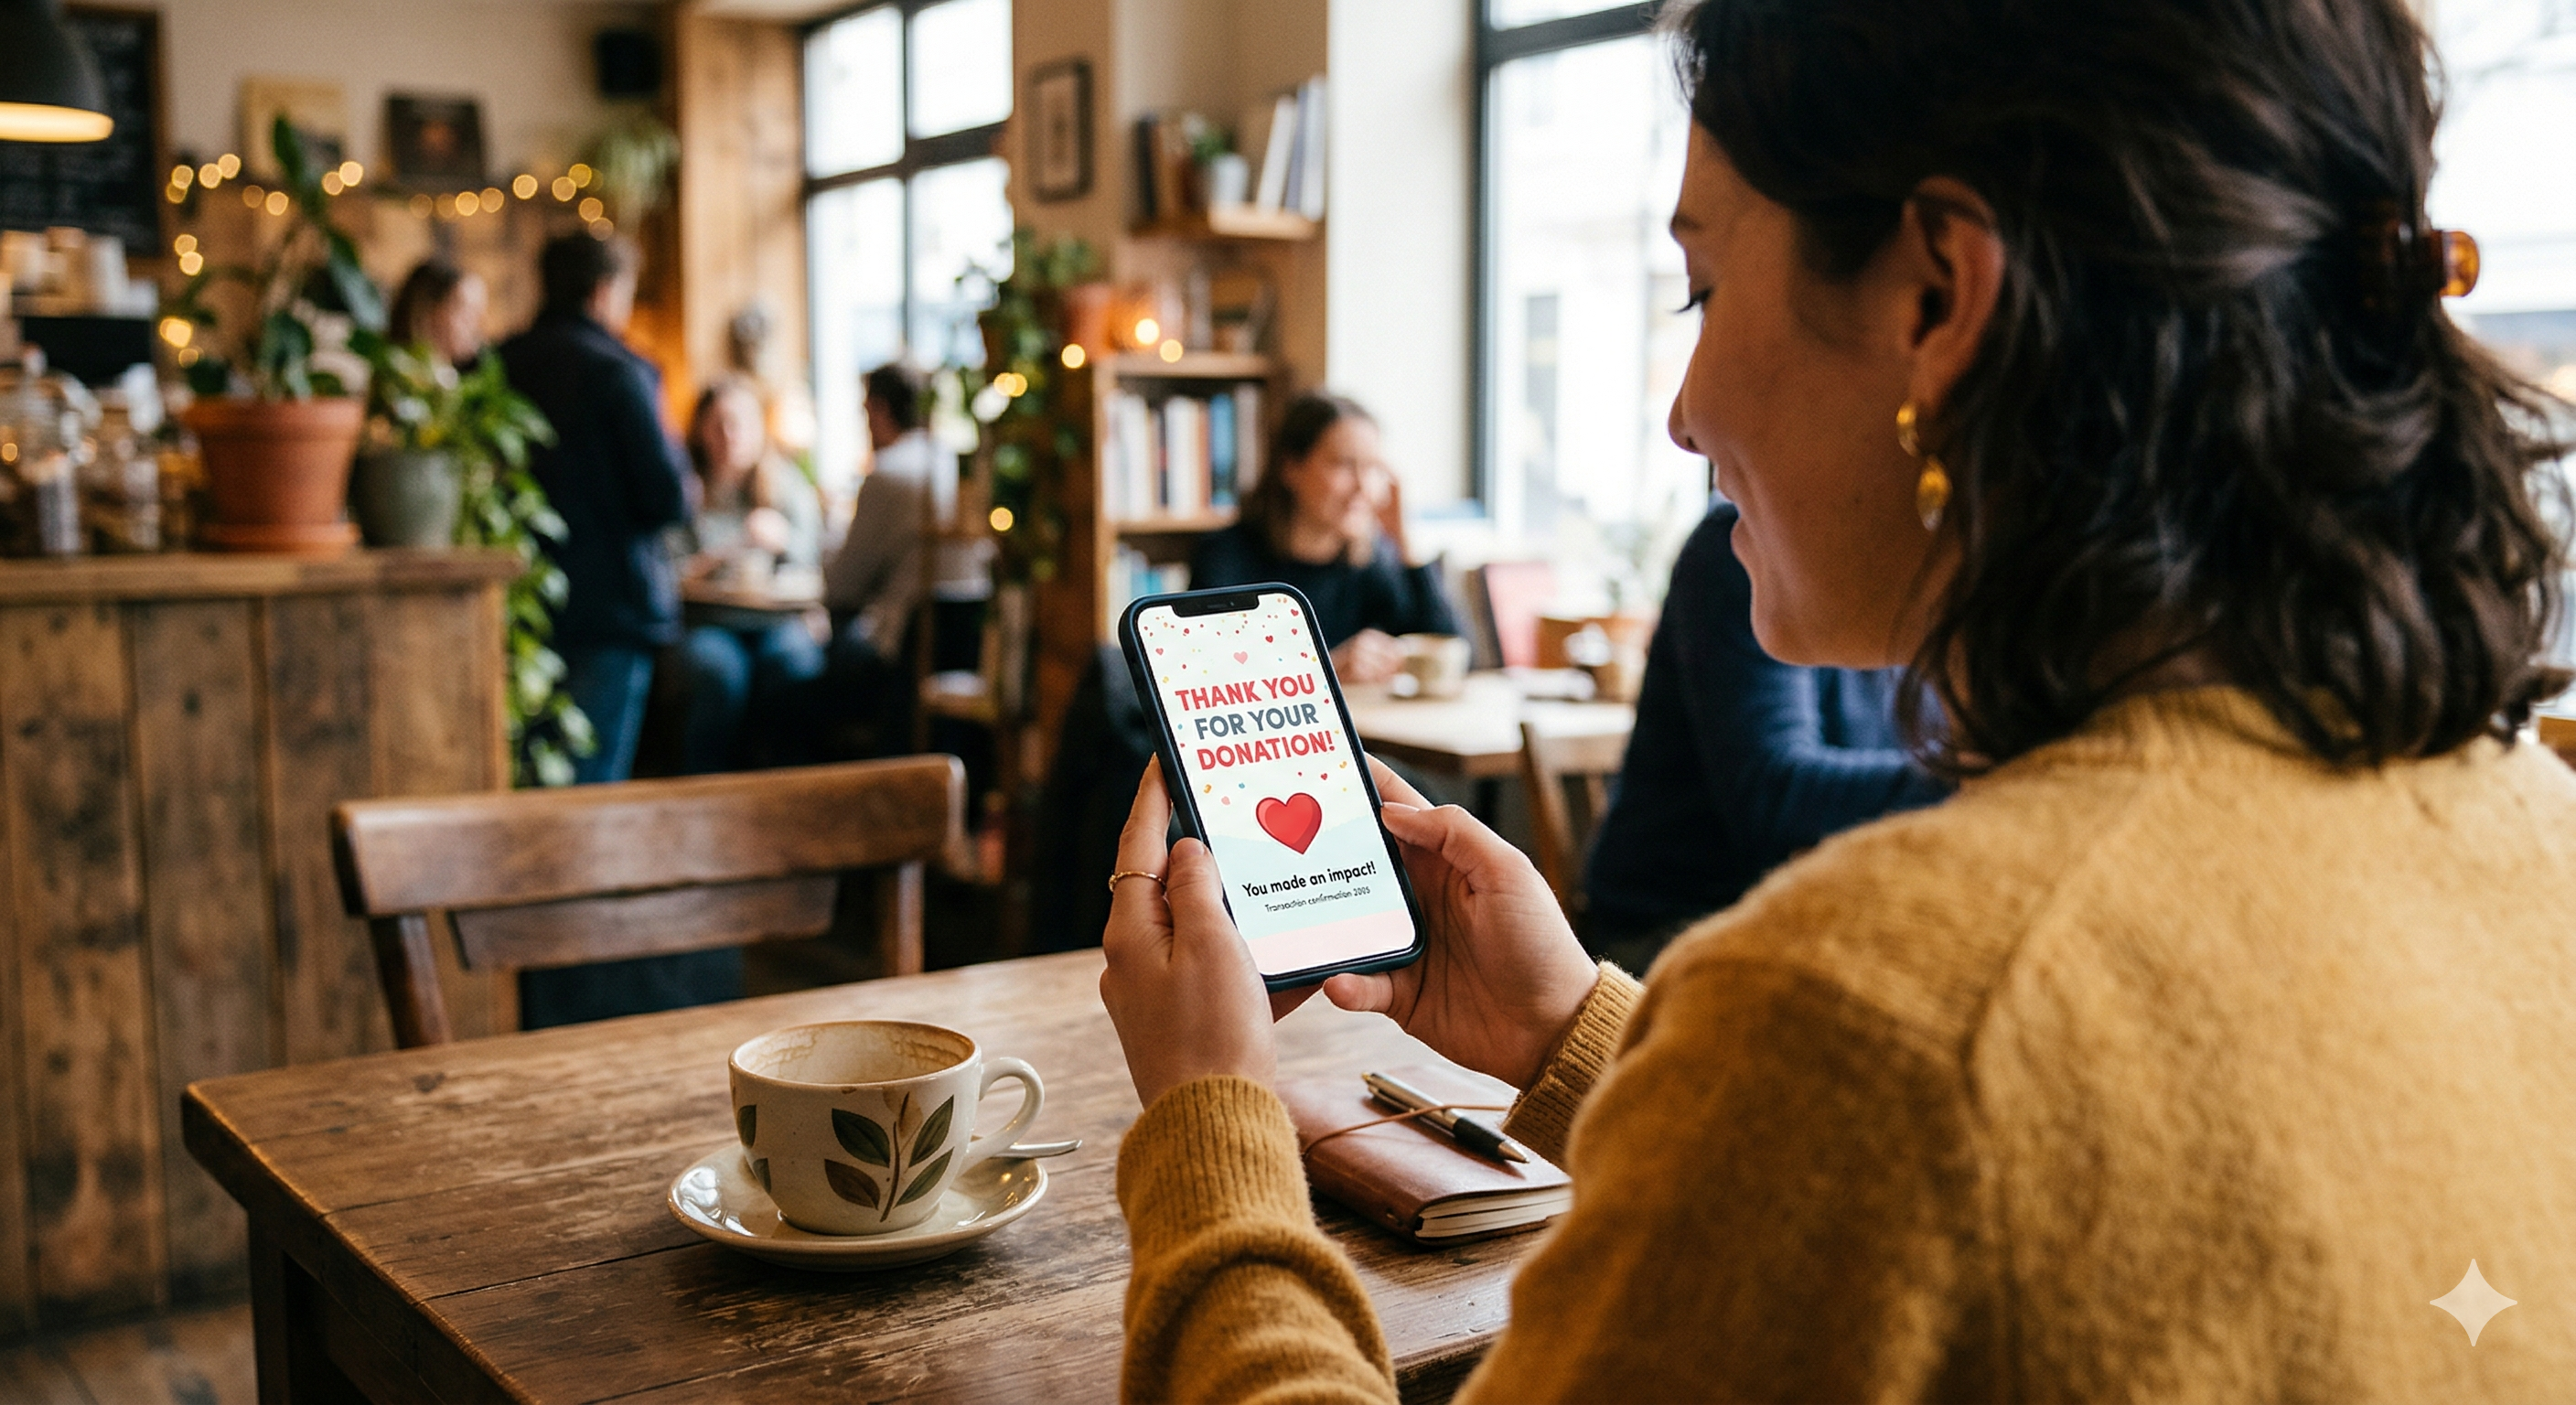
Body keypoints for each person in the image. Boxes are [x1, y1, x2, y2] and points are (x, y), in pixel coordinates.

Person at [1097, 0, 2576, 1400]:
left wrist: (1208, 1124)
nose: (1681, 409)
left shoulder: (1877, 1017)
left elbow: (1911, 1101)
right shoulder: (2534, 823)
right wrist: (1577, 1038)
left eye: (1704, 285)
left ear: (1939, 292)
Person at [499, 233, 716, 1028]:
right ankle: (576, 985)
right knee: (588, 804)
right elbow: (664, 497)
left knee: (531, 793)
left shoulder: (502, 362)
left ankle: (525, 976)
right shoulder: (619, 371)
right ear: (604, 292)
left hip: (519, 609)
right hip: (609, 611)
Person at [1583, 499, 1947, 970]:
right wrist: (1986, 777)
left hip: (1827, 908)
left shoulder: (1929, 563)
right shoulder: (1743, 545)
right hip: (1676, 927)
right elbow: (1773, 794)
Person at [1190, 392, 1458, 683]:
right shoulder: (1227, 558)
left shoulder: (1373, 560)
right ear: (1291, 468)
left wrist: (1406, 543)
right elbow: (1206, 680)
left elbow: (1453, 657)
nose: (1363, 487)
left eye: (1372, 468)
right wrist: (1323, 671)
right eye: (1344, 464)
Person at [675, 378, 826, 775]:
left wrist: (785, 542)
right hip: (707, 620)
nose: (730, 435)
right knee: (721, 673)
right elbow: (668, 571)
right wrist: (732, 547)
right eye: (718, 424)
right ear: (700, 430)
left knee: (796, 666)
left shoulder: (787, 485)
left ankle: (789, 789)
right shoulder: (685, 489)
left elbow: (814, 565)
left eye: (740, 423)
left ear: (759, 430)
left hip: (777, 619)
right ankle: (708, 793)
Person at [388, 258, 488, 368]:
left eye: (477, 314)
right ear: (426, 309)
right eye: (465, 311)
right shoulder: (387, 369)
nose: (474, 326)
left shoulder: (454, 379)